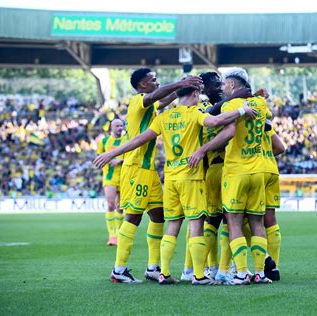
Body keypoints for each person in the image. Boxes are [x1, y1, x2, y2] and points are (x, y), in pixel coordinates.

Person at [94, 83, 257, 285]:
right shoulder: (194, 113)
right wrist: (242, 110)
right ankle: (199, 276)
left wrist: (111, 153)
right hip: (191, 175)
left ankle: (163, 272)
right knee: (196, 223)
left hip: (170, 179)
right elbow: (215, 121)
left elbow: (139, 139)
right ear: (196, 94)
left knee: (171, 225)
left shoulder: (163, 117)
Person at [105, 68, 202, 283]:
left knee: (158, 215)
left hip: (149, 171)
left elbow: (164, 99)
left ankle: (152, 267)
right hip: (135, 168)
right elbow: (155, 97)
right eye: (153, 80)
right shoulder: (137, 101)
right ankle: (118, 270)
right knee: (133, 216)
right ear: (142, 86)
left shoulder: (149, 107)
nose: (157, 83)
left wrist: (184, 89)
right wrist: (179, 83)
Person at [188, 67, 273, 285]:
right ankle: (260, 273)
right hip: (258, 170)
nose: (222, 88)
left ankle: (239, 272)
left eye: (224, 84)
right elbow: (268, 124)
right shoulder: (261, 104)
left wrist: (203, 149)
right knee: (256, 224)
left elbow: (226, 130)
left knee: (230, 223)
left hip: (234, 170)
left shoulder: (229, 105)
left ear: (233, 85)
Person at [262, 120, 286, 281]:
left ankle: (264, 259)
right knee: (270, 219)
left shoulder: (234, 115)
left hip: (248, 169)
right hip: (271, 169)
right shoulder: (263, 120)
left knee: (239, 220)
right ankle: (274, 268)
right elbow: (280, 147)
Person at [96, 118, 125, 246]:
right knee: (110, 204)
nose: (120, 128)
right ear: (111, 128)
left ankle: (119, 235)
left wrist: (120, 160)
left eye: (121, 125)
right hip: (110, 177)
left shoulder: (127, 140)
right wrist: (108, 160)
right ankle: (112, 236)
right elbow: (99, 157)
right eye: (117, 126)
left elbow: (132, 156)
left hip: (124, 177)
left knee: (120, 207)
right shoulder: (104, 141)